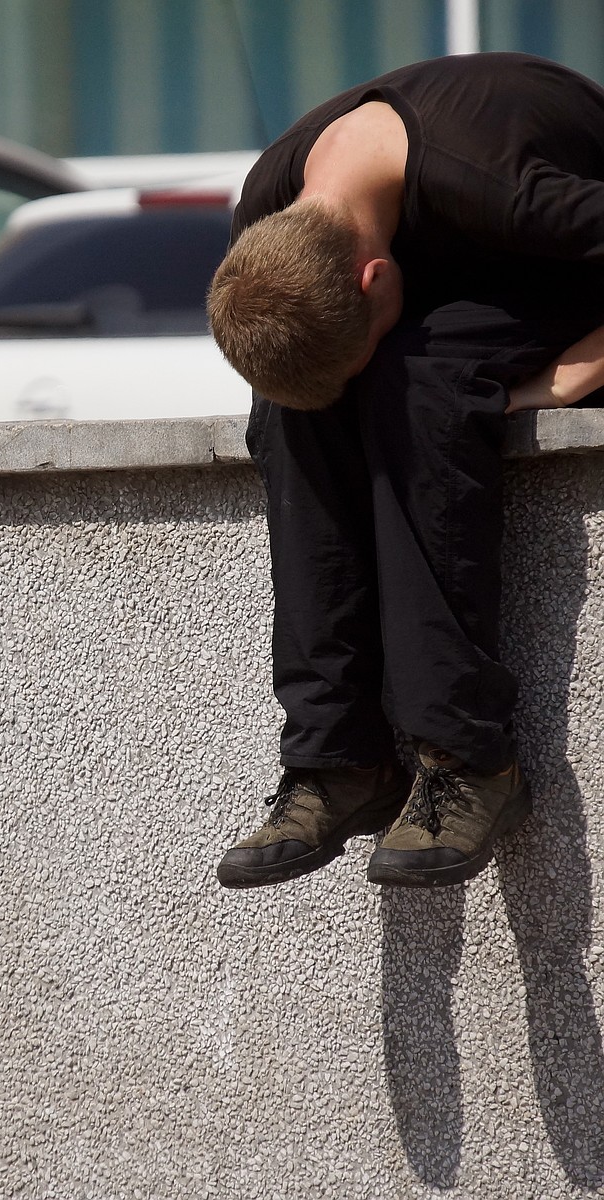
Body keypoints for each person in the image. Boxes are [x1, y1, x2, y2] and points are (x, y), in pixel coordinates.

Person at [206, 52, 604, 890]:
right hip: (453, 272)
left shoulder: (508, 186)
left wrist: (571, 375)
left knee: (420, 380)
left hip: (563, 270)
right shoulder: (268, 205)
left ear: (375, 277)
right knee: (293, 408)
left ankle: (467, 759)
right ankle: (338, 758)